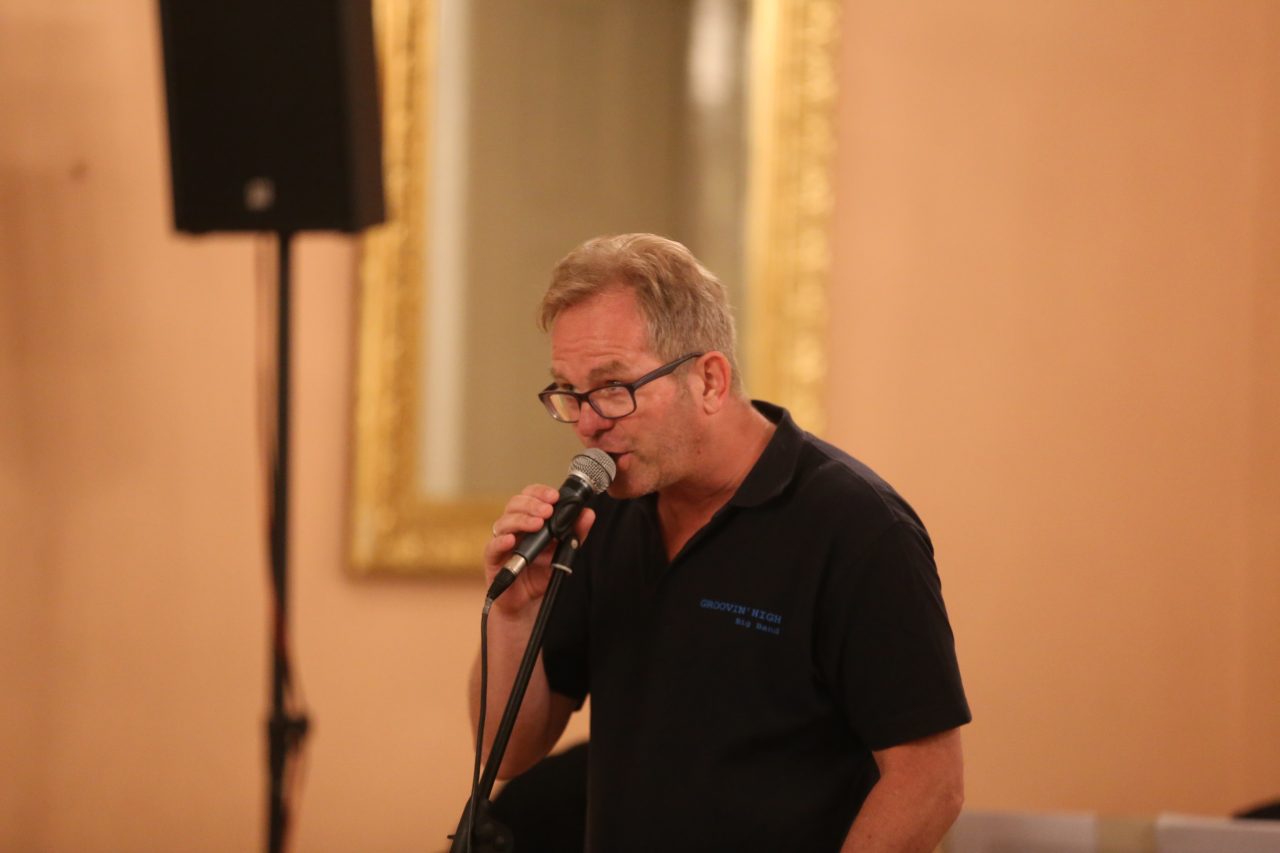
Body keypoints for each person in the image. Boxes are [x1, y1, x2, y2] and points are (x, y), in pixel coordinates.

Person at [472, 233, 970, 852]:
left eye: (613, 387)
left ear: (709, 380)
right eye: (569, 393)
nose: (588, 423)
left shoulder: (857, 527)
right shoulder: (602, 512)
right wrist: (514, 617)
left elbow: (930, 783)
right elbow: (511, 753)